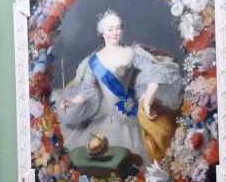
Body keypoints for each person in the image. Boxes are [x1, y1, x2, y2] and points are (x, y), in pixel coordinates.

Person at [59, 10, 182, 164]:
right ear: (102, 33)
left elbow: (155, 75)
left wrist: (148, 101)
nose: (115, 33)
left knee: (132, 159)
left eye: (118, 28)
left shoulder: (132, 53)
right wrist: (74, 102)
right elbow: (88, 89)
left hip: (128, 115)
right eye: (110, 29)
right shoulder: (93, 60)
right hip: (102, 116)